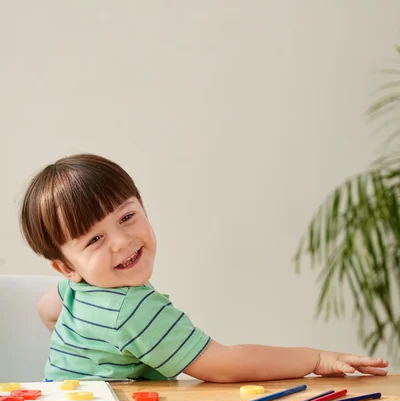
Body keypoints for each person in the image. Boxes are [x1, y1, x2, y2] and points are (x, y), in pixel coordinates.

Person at [20, 154, 388, 382]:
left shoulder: (75, 289)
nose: (120, 241)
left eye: (127, 217)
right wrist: (316, 358)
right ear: (66, 266)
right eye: (95, 240)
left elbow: (46, 310)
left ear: (143, 206)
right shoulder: (132, 310)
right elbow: (224, 365)